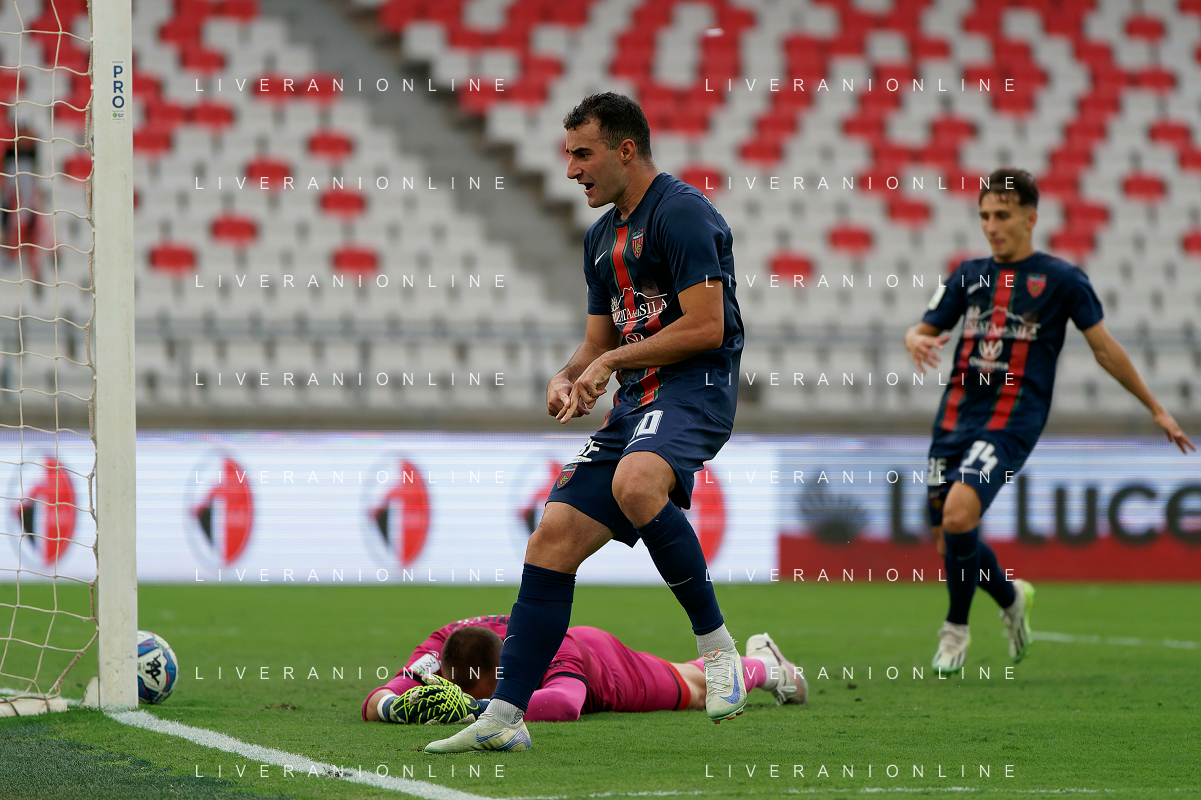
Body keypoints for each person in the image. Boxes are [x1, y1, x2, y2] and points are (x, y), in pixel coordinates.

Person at [426, 93, 746, 753]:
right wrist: (569, 375)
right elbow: (598, 340)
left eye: (582, 154)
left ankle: (718, 652)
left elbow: (706, 327)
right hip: (634, 404)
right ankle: (504, 718)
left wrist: (610, 363)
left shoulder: (682, 214)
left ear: (625, 150)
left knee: (636, 483)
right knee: (552, 537)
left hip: (693, 390)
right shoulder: (601, 239)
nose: (570, 170)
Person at [903, 167, 1194, 672]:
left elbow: (1104, 349)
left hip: (1013, 419)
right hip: (954, 416)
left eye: (1002, 215)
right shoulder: (968, 274)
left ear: (1030, 217)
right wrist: (913, 338)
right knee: (949, 535)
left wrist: (1156, 407)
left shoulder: (1061, 279)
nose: (991, 226)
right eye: (984, 216)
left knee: (958, 514)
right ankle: (1011, 597)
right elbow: (923, 329)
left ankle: (955, 631)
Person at [364, 616, 804, 729]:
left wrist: (475, 709)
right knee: (685, 674)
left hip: (602, 669)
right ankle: (761, 657)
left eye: (493, 689)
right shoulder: (441, 646)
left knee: (696, 690)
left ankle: (768, 668)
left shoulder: (548, 644)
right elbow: (377, 698)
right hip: (577, 657)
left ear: (508, 669)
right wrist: (398, 709)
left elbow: (564, 704)